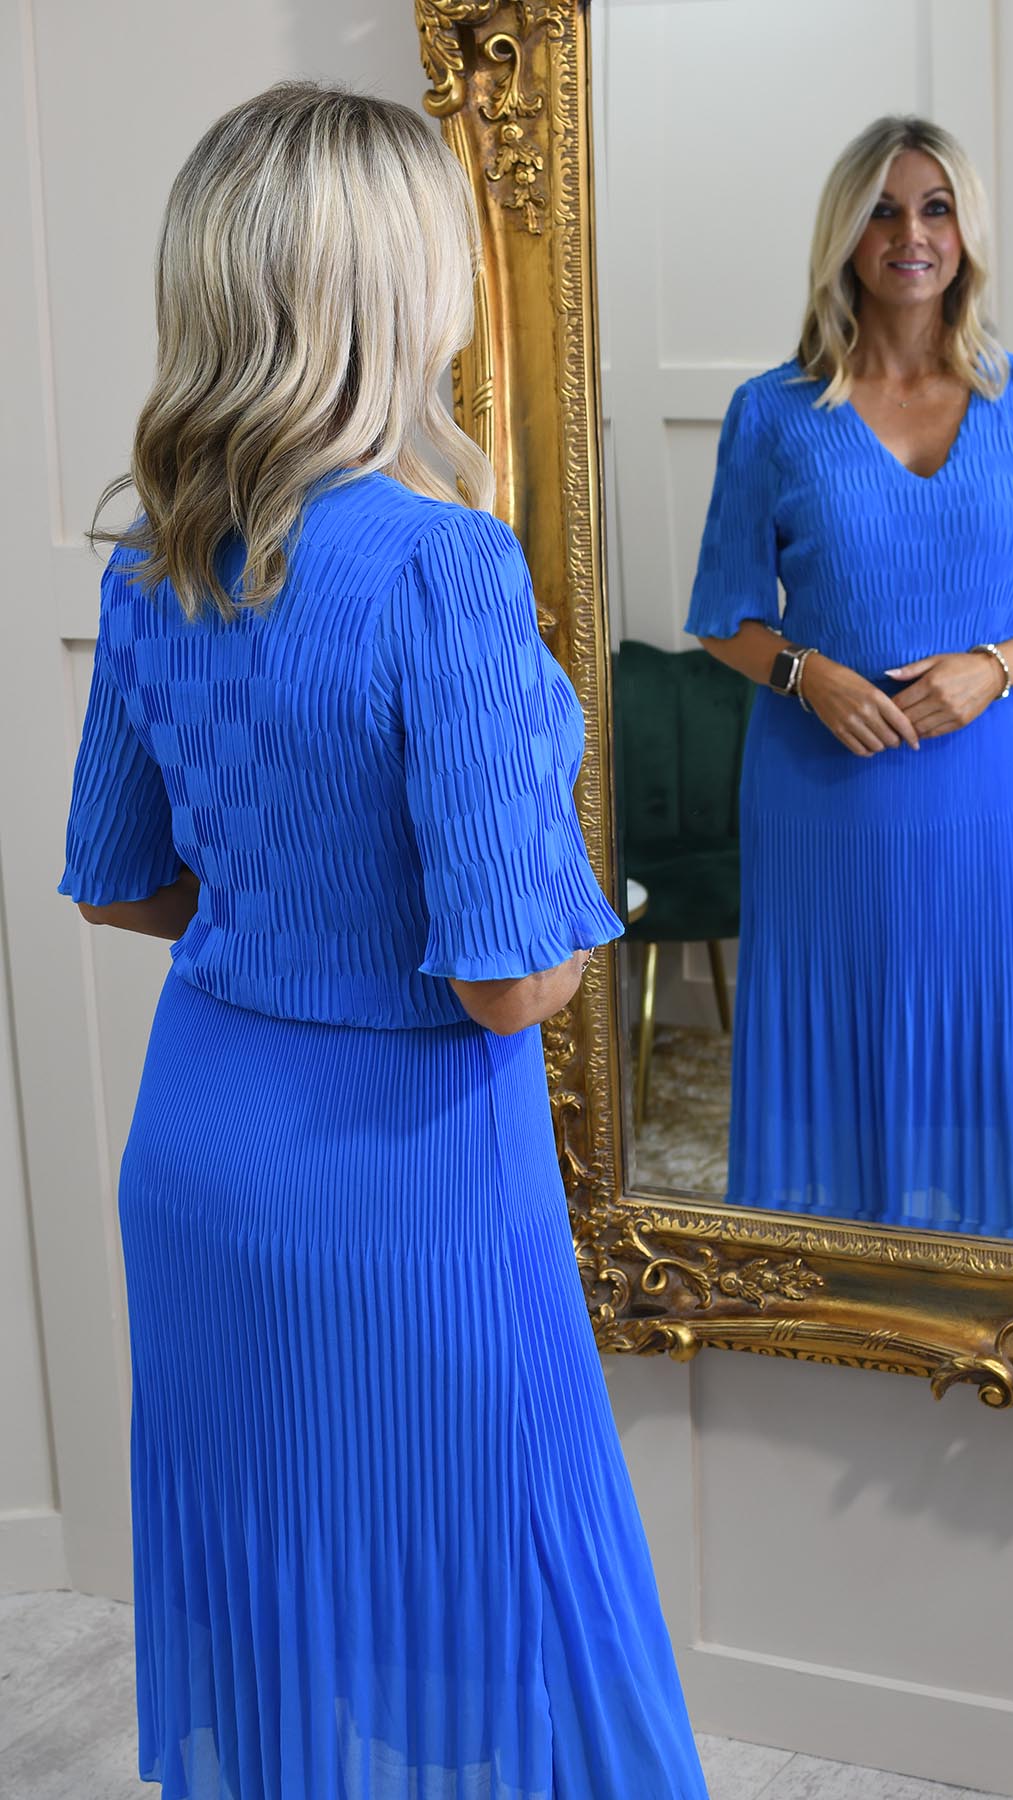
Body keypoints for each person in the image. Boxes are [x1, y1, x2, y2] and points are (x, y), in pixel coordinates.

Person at [58, 82, 709, 1800]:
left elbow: (120, 882)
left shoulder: (153, 567)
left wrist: (295, 918)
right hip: (404, 1186)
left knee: (293, 1612)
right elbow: (510, 981)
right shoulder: (443, 567)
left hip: (203, 1160)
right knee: (516, 1608)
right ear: (398, 285)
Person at [686, 114, 1013, 1246]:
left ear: (966, 233)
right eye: (882, 211)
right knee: (831, 1031)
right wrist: (808, 675)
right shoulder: (773, 412)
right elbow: (723, 619)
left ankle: (1007, 1283)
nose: (910, 235)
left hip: (987, 791)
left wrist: (993, 668)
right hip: (820, 790)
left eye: (935, 209)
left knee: (1000, 1023)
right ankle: (828, 1275)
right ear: (845, 233)